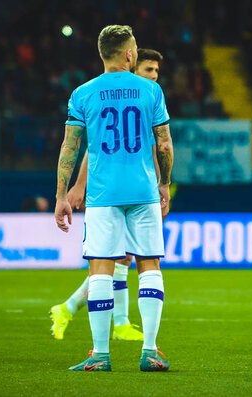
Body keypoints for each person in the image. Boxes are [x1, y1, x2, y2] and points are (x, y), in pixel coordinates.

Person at [54, 25, 173, 372]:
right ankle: (150, 351)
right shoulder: (151, 90)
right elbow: (164, 144)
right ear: (128, 54)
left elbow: (70, 147)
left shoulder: (83, 93)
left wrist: (62, 194)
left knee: (101, 270)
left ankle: (100, 355)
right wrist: (164, 184)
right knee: (149, 264)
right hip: (143, 192)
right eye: (134, 48)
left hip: (103, 195)